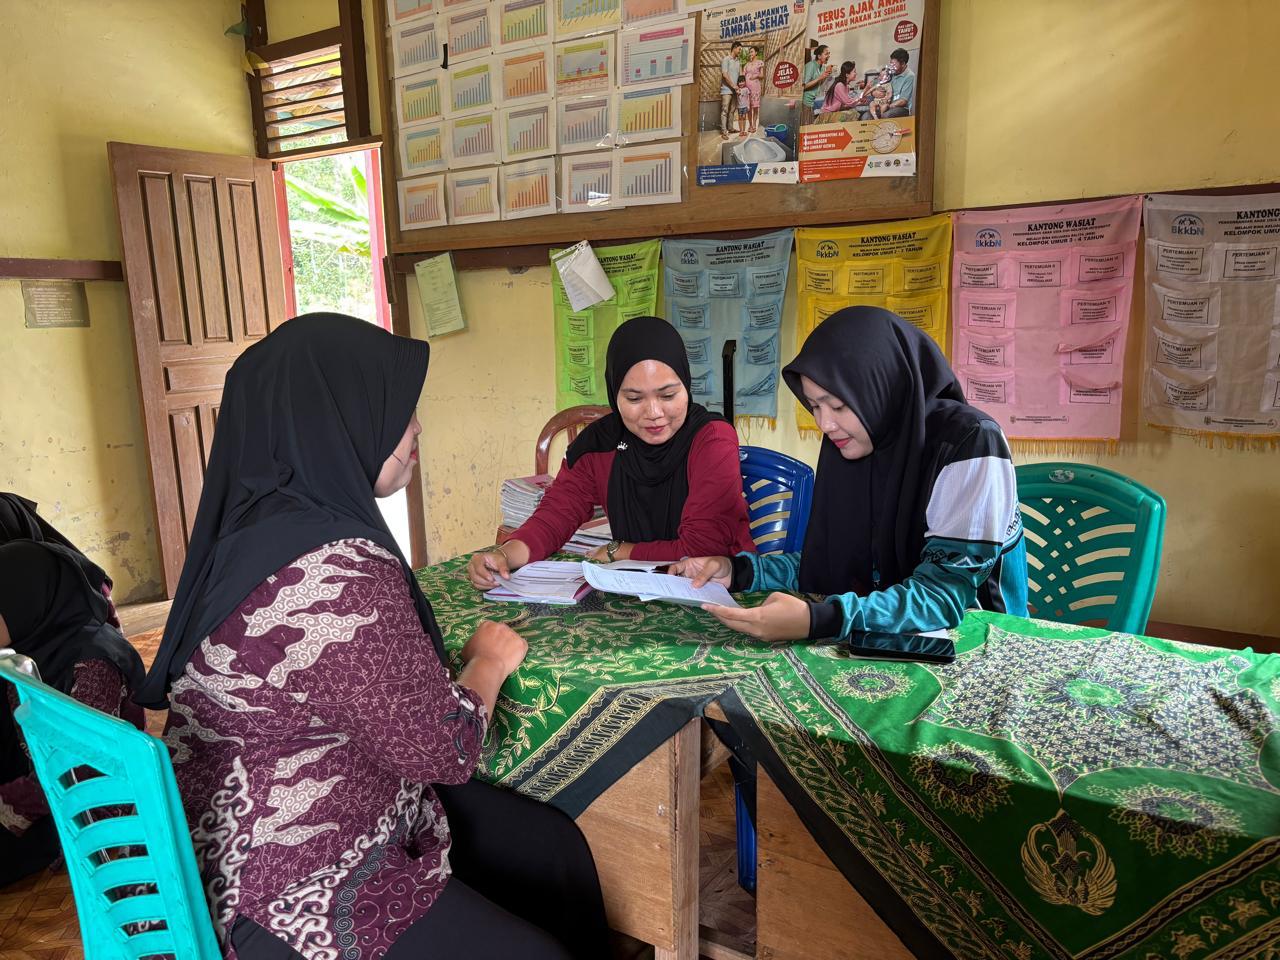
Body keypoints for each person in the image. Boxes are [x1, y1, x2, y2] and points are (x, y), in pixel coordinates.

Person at [136, 314, 609, 960]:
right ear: (336, 421)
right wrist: (489, 662)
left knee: (549, 849)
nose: (415, 429)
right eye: (397, 410)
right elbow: (445, 751)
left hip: (213, 857)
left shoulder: (251, 532)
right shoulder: (341, 571)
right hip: (286, 893)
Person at [673, 307, 1028, 642]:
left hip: (981, 639)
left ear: (881, 388)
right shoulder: (859, 440)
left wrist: (821, 619)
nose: (825, 424)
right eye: (814, 406)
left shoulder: (971, 442)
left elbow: (943, 595)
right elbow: (831, 562)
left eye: (839, 405)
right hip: (880, 634)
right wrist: (739, 572)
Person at [468, 316, 755, 588]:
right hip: (634, 588)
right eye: (634, 398)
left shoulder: (711, 439)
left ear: (687, 386)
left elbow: (703, 550)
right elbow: (554, 517)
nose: (654, 412)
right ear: (614, 393)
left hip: (715, 591)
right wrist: (504, 556)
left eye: (668, 395)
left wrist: (620, 550)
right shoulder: (598, 444)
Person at [0, 536, 145, 888]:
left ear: (24, 601)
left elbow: (78, 769)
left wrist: (6, 805)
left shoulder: (93, 662)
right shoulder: (29, 653)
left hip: (103, 813)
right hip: (56, 798)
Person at [800, 43, 832, 120]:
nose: (828, 56)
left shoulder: (822, 67)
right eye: (826, 54)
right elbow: (803, 86)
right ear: (819, 56)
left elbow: (820, 83)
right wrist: (819, 78)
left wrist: (826, 74)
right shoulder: (811, 65)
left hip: (814, 101)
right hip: (806, 102)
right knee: (806, 124)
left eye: (829, 54)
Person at [719, 40, 743, 140]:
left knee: (732, 110)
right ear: (734, 48)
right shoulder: (726, 59)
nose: (740, 51)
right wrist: (734, 86)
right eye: (739, 49)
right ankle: (724, 132)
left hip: (735, 90)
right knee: (725, 110)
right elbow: (725, 75)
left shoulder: (738, 61)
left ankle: (730, 128)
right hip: (726, 90)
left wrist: (739, 88)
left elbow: (740, 76)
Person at [743, 46, 764, 134]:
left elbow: (762, 75)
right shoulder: (747, 64)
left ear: (756, 53)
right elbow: (743, 76)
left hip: (755, 87)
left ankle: (754, 125)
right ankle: (750, 125)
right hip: (747, 88)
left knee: (755, 107)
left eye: (752, 51)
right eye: (749, 52)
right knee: (749, 107)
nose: (750, 53)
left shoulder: (760, 62)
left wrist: (755, 76)